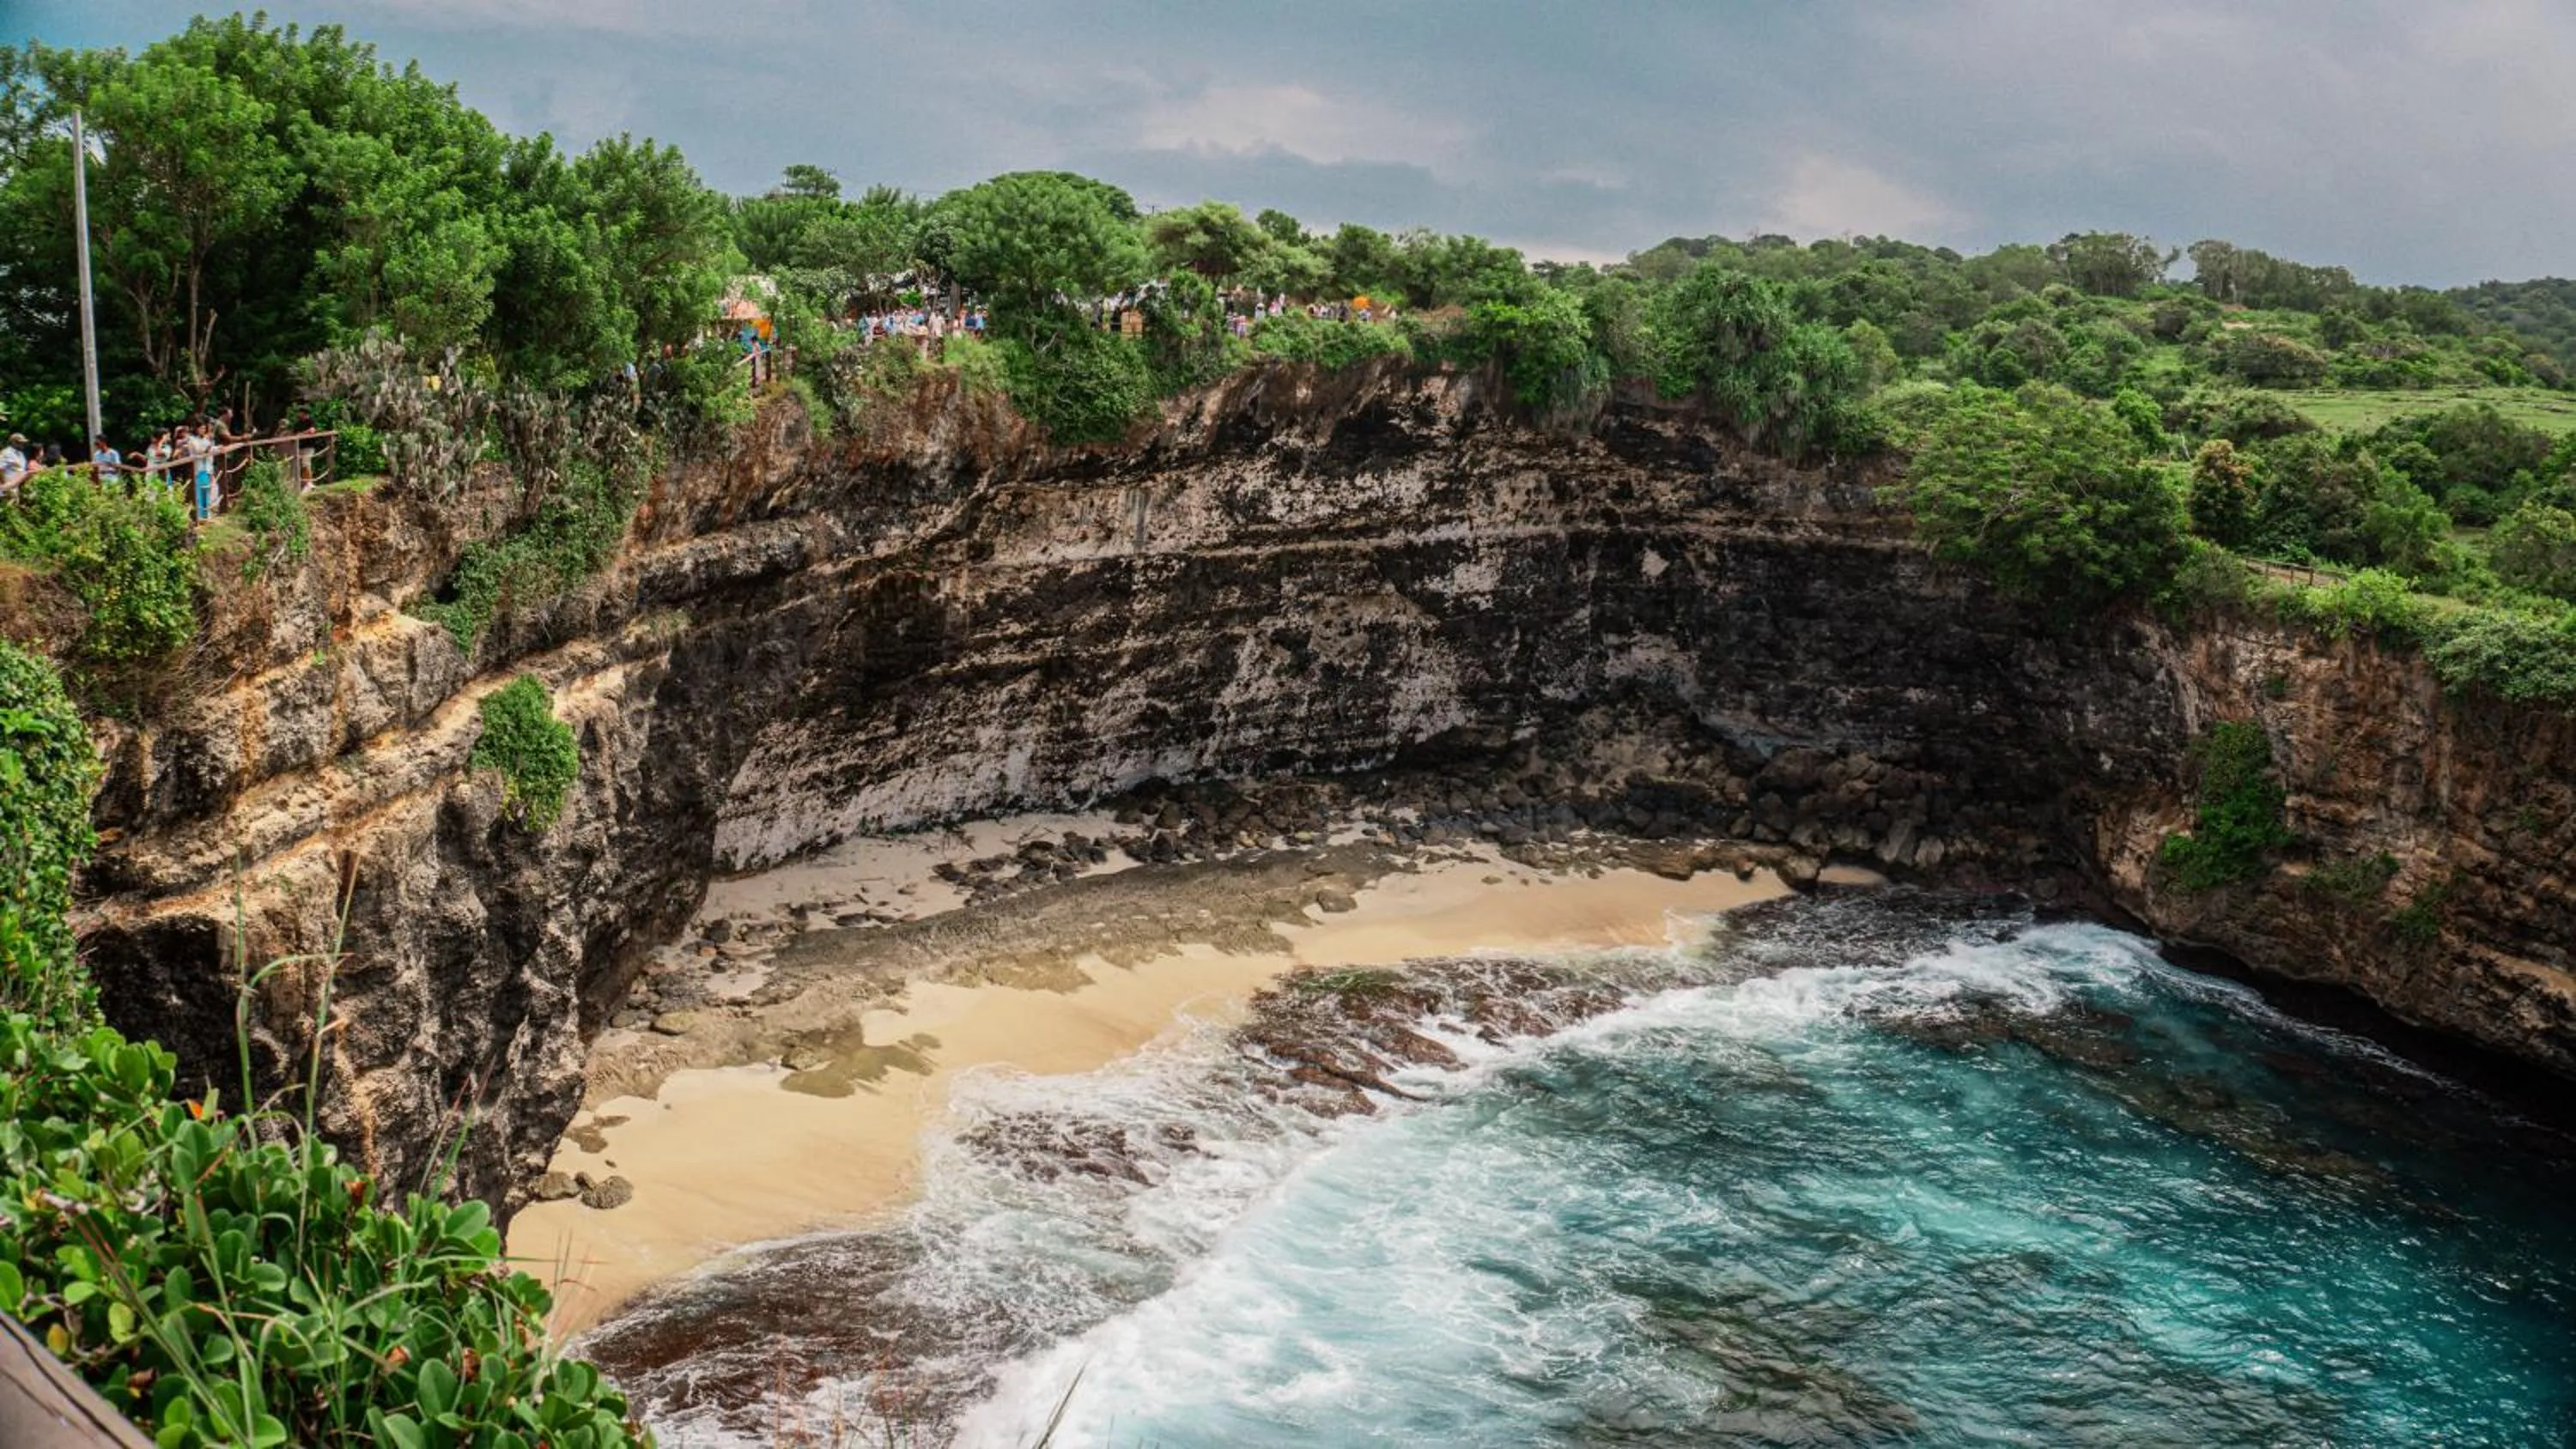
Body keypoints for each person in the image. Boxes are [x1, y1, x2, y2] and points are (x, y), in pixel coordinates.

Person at [188, 423, 218, 521]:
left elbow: (210, 449)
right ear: (196, 429)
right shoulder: (192, 440)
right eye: (201, 428)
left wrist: (218, 448)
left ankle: (206, 515)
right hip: (198, 469)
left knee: (206, 491)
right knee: (199, 492)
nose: (203, 430)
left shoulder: (205, 440)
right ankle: (199, 516)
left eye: (205, 428)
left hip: (206, 469)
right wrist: (209, 446)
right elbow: (199, 451)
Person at [0, 433, 27, 498]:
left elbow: (22, 469)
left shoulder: (21, 454)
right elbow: (0, 469)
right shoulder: (6, 453)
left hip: (17, 487)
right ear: (14, 443)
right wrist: (6, 485)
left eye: (23, 442)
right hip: (8, 487)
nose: (23, 444)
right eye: (20, 442)